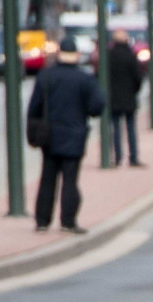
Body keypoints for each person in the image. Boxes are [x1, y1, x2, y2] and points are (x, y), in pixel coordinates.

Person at [28, 37, 105, 234]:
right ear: (77, 56)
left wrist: (34, 132)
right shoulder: (85, 78)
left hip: (49, 135)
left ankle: (42, 221)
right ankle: (68, 221)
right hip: (74, 135)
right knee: (70, 180)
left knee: (47, 178)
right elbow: (97, 107)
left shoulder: (45, 76)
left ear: (59, 54)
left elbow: (34, 108)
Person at [108, 29, 144, 168]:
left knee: (115, 129)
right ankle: (133, 158)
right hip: (129, 97)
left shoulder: (109, 55)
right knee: (131, 128)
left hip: (114, 98)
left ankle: (117, 158)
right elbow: (138, 77)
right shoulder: (131, 56)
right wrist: (134, 91)